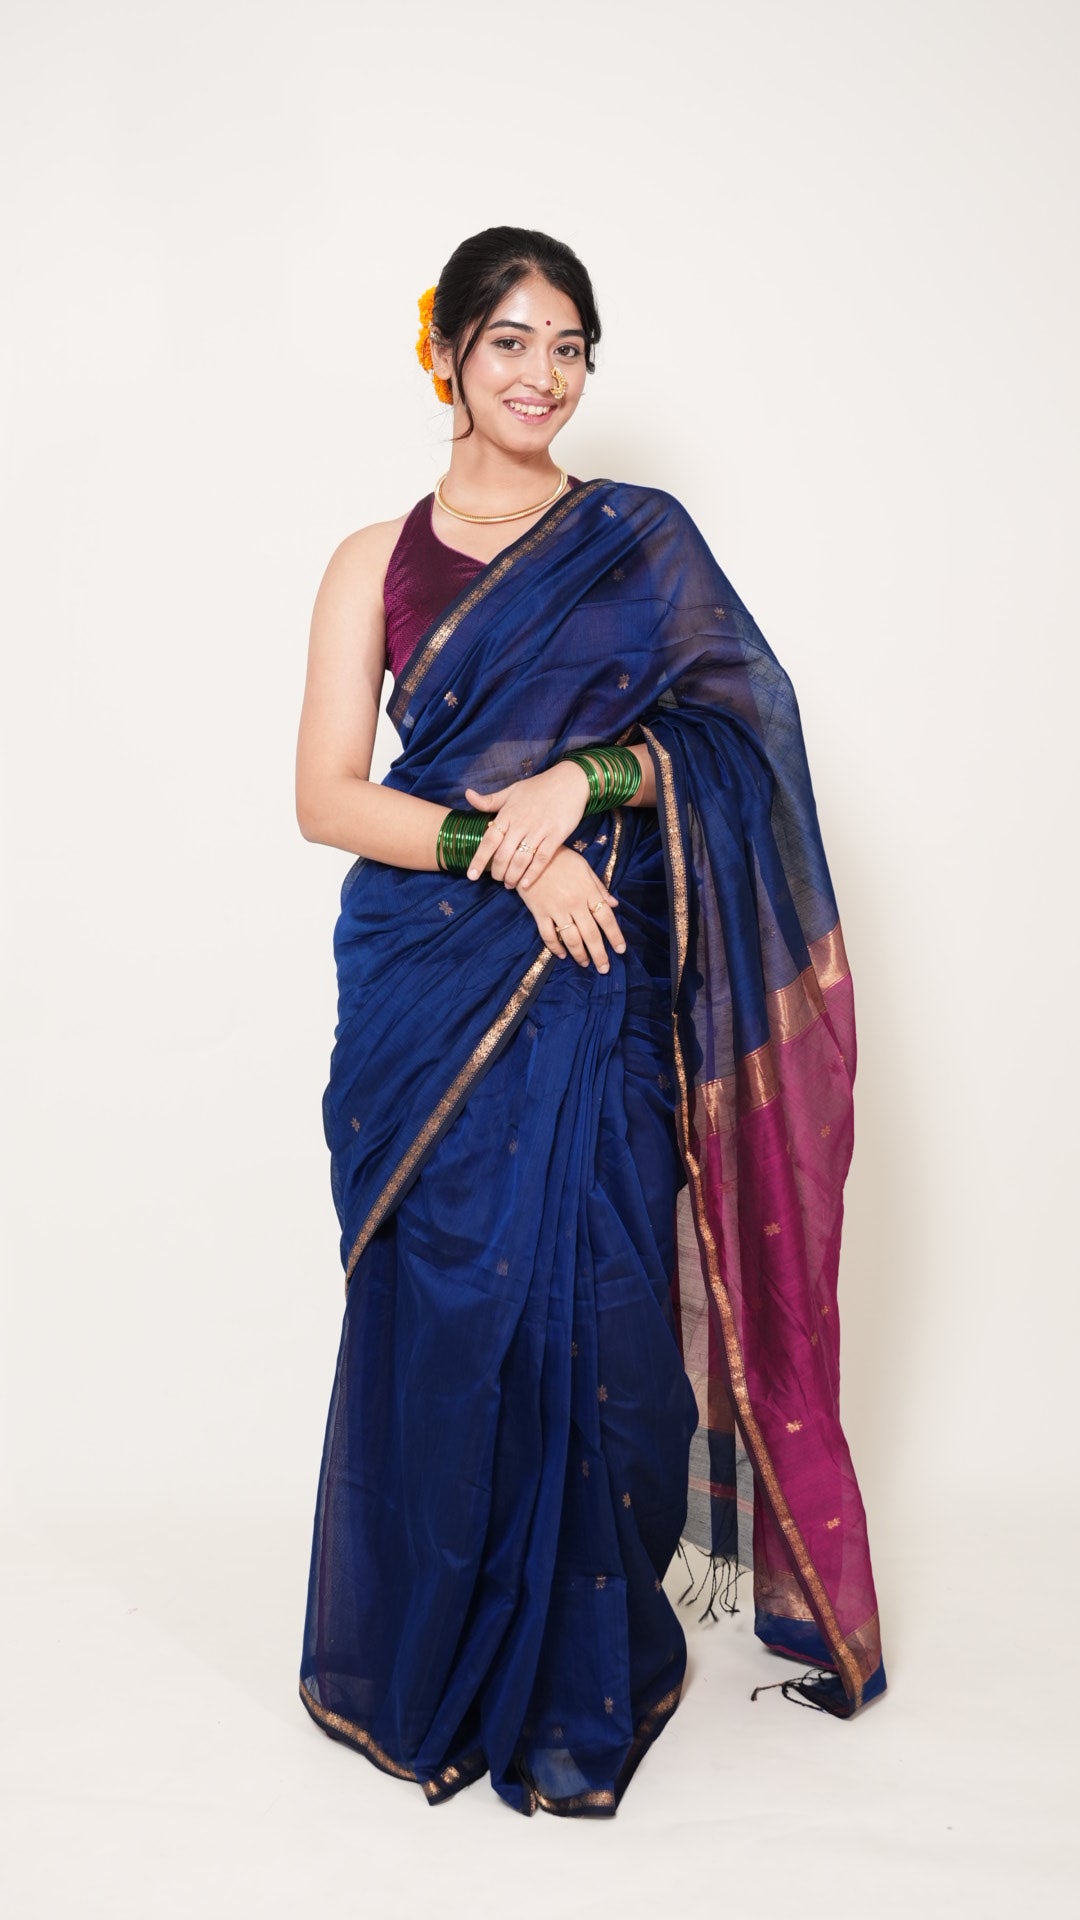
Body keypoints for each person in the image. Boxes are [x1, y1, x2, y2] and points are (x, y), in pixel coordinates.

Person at [294, 226, 887, 1819]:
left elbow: (742, 730)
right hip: (433, 975)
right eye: (510, 343)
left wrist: (586, 784)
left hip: (606, 973)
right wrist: (509, 850)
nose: (542, 374)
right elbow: (326, 797)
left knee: (612, 1312)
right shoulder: (375, 557)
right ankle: (433, 1662)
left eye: (570, 346)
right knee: (452, 1317)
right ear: (447, 356)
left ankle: (590, 1661)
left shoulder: (640, 540)